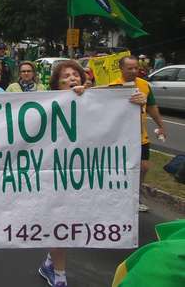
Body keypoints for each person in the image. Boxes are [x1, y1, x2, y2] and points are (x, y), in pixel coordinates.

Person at [37, 60, 146, 287]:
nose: (72, 78)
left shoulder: (97, 101)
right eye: (66, 76)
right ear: (56, 83)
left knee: (75, 220)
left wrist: (136, 104)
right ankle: (59, 275)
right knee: (60, 222)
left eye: (75, 74)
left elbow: (121, 125)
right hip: (53, 174)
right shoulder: (44, 104)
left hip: (84, 175)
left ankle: (50, 262)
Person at [110, 55, 167, 212]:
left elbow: (152, 107)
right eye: (130, 68)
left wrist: (161, 125)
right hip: (121, 138)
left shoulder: (144, 85)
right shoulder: (113, 87)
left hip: (140, 136)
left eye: (136, 68)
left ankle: (136, 196)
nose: (134, 71)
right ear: (121, 69)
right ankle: (118, 196)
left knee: (144, 167)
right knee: (121, 169)